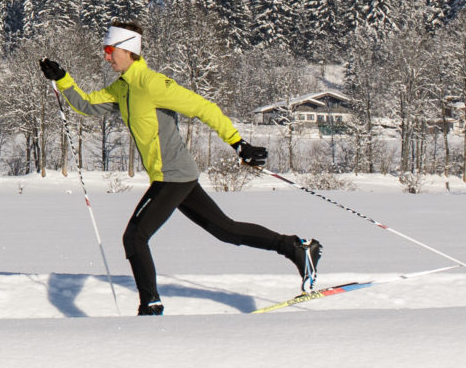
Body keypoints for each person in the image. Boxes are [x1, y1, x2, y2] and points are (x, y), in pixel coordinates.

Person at [41, 23, 319, 315]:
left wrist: (239, 144)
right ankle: (297, 248)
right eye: (105, 51)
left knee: (135, 237)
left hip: (172, 176)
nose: (106, 57)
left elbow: (204, 108)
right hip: (174, 176)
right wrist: (63, 79)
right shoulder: (123, 87)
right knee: (226, 230)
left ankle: (150, 304)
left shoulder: (152, 84)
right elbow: (87, 104)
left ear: (129, 50)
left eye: (110, 51)